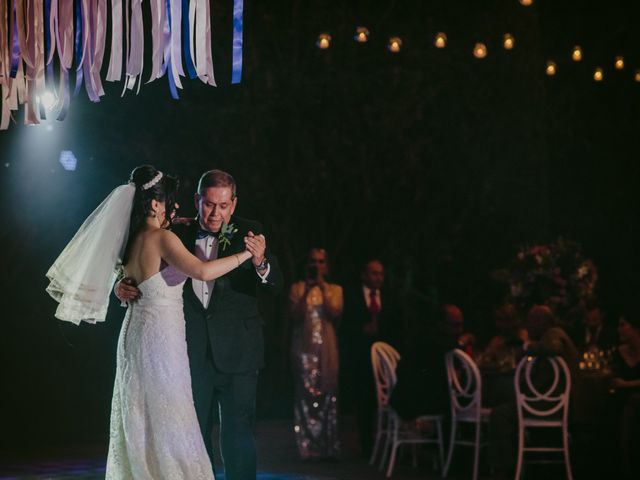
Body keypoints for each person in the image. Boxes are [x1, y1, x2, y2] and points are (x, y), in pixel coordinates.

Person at [46, 165, 261, 479]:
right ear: (156, 204)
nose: (176, 208)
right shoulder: (163, 238)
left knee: (143, 415)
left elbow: (128, 275)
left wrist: (122, 284)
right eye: (171, 201)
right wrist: (245, 254)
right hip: (161, 339)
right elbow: (201, 272)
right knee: (169, 416)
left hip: (137, 335)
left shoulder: (133, 238)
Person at [116, 169, 283, 480]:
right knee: (191, 434)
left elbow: (276, 285)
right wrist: (120, 286)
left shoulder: (251, 233)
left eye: (222, 206)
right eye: (208, 204)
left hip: (238, 350)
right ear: (197, 201)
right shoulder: (175, 232)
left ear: (233, 204)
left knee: (238, 433)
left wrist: (260, 262)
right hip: (186, 351)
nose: (215, 213)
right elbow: (138, 268)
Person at [289, 248, 343, 460]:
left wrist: (321, 286)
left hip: (327, 350)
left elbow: (335, 312)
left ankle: (329, 447)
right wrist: (307, 290)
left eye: (321, 262)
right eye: (313, 262)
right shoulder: (298, 287)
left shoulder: (335, 289)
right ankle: (307, 448)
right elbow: (294, 316)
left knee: (329, 394)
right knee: (304, 396)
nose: (317, 265)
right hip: (303, 350)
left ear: (326, 266)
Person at [340, 259, 397, 456]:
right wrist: (361, 330)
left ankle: (389, 441)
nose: (378, 278)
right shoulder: (352, 295)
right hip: (361, 356)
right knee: (365, 400)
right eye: (374, 273)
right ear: (364, 275)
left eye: (381, 274)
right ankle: (367, 444)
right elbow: (344, 325)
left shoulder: (389, 297)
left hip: (385, 358)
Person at [610, 311, 640, 479]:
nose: (619, 329)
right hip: (622, 400)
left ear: (635, 328)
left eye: (623, 325)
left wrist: (627, 384)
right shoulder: (619, 352)